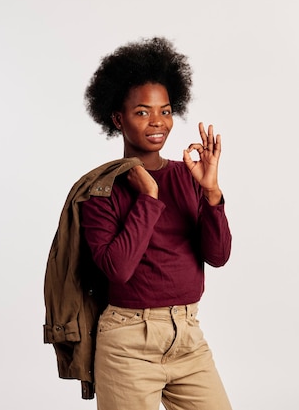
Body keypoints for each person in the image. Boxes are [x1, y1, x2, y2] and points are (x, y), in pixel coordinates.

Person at [80, 37, 233, 410]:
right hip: (127, 343)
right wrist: (148, 200)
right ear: (118, 118)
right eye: (142, 112)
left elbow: (217, 256)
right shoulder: (100, 189)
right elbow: (118, 269)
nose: (157, 123)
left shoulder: (188, 177)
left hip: (188, 337)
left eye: (164, 111)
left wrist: (211, 193)